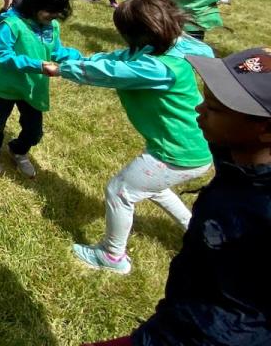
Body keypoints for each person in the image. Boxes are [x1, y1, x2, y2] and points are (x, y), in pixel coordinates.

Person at [85, 46, 271, 346]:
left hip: (206, 336)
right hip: (177, 316)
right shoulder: (236, 156)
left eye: (215, 108)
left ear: (264, 128)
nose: (199, 109)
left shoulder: (262, 207)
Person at [57, 0, 214, 276]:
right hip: (191, 147)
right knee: (151, 187)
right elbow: (122, 57)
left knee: (120, 190)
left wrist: (63, 68)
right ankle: (195, 230)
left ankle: (112, 256)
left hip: (178, 153)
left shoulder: (158, 68)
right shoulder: (172, 47)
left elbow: (112, 73)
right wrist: (87, 57)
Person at [0, 0, 80, 178]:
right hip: (6, 86)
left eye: (57, 13)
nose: (53, 17)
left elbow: (55, 51)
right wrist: (38, 65)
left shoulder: (52, 25)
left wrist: (79, 58)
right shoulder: (11, 24)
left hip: (33, 87)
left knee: (34, 131)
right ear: (34, 4)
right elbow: (1, 54)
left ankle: (18, 149)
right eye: (49, 12)